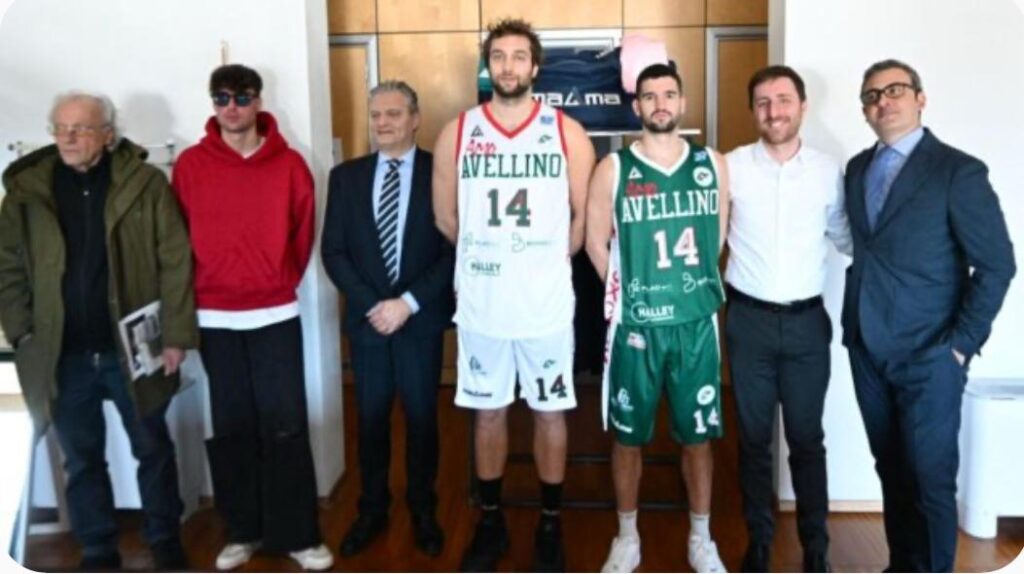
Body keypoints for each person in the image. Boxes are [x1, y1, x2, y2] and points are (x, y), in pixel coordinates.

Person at [0, 92, 197, 571]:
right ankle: (97, 551)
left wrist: (175, 336)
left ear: (108, 135)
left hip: (133, 348)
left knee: (152, 449)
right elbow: (7, 266)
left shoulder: (145, 184)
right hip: (61, 352)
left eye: (81, 128)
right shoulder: (27, 191)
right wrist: (22, 331)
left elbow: (175, 260)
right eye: (60, 127)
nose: (68, 137)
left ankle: (164, 542)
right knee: (82, 459)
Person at [432, 17, 595, 572]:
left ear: (535, 66)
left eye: (518, 56)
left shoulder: (566, 132)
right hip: (483, 304)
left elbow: (582, 220)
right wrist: (491, 258)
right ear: (488, 66)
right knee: (488, 413)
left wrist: (538, 261)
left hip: (545, 305)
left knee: (550, 413)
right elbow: (446, 218)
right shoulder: (457, 132)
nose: (508, 66)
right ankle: (491, 521)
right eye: (498, 56)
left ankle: (550, 522)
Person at [843, 59, 1016, 573]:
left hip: (930, 353)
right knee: (892, 470)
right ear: (865, 111)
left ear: (920, 98)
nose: (883, 101)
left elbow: (997, 264)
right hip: (867, 347)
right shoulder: (857, 169)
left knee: (931, 479)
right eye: (872, 96)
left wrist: (960, 345)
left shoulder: (957, 171)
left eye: (895, 90)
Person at [171, 64, 333, 571]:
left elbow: (302, 234)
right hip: (215, 318)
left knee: (285, 426)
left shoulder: (289, 165)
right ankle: (242, 531)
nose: (232, 107)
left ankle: (299, 535)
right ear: (213, 103)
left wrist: (277, 279)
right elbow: (178, 240)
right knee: (232, 428)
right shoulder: (191, 166)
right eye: (221, 97)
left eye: (242, 97)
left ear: (258, 101)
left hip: (274, 313)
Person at [586, 63, 730, 574]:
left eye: (669, 94)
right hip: (637, 326)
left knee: (697, 437)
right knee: (628, 437)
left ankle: (701, 537)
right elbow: (595, 243)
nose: (660, 104)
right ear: (637, 106)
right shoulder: (614, 168)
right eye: (649, 96)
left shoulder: (712, 164)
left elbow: (717, 238)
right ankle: (627, 536)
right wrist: (626, 296)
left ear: (682, 102)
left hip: (695, 324)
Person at [724, 65, 851, 573]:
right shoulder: (731, 166)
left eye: (782, 100)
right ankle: (759, 542)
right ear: (752, 110)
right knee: (754, 441)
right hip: (748, 322)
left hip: (806, 326)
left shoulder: (827, 171)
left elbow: (847, 236)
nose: (773, 111)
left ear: (802, 106)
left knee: (806, 440)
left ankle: (815, 549)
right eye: (763, 102)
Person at [322, 80, 454, 558]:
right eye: (376, 114)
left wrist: (408, 304)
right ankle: (371, 509)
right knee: (371, 420)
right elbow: (334, 252)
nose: (382, 123)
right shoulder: (346, 178)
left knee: (421, 419)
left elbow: (454, 249)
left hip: (419, 321)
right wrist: (373, 305)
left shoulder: (442, 173)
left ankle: (423, 509)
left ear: (415, 119)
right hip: (369, 323)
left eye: (394, 114)